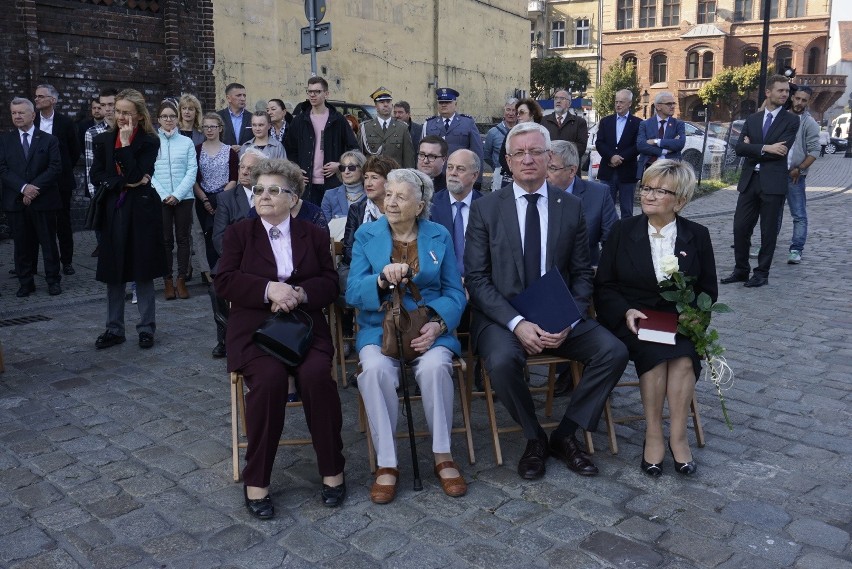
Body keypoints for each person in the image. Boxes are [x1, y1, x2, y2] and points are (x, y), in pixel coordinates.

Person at [464, 122, 628, 480]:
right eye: (519, 153)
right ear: (507, 160)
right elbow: (476, 279)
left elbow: (583, 273)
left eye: (536, 151)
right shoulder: (486, 209)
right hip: (502, 318)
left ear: (548, 157)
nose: (528, 159)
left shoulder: (570, 207)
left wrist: (569, 320)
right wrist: (517, 324)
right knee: (503, 360)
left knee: (613, 351)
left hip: (560, 315)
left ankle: (565, 434)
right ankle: (534, 436)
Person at [215, 158, 346, 517]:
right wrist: (268, 288)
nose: (265, 196)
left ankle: (333, 469)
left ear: (294, 198)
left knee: (317, 376)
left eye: (275, 190)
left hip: (304, 327)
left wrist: (300, 293)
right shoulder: (239, 234)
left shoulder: (314, 235)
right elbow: (223, 281)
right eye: (259, 190)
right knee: (270, 380)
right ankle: (257, 479)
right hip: (255, 329)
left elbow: (330, 284)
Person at [347, 168, 467, 503]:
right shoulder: (366, 235)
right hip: (379, 327)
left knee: (434, 367)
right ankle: (387, 462)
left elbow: (455, 292)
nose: (392, 202)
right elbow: (352, 292)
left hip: (428, 326)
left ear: (420, 204)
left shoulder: (439, 234)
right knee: (373, 371)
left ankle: (443, 454)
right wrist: (381, 281)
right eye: (388, 195)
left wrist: (438, 324)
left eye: (401, 196)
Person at [595, 160, 718, 477]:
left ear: (680, 200)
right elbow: (604, 285)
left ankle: (678, 436)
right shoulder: (622, 231)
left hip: (679, 320)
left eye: (660, 190)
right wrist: (625, 310)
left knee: (684, 358)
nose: (648, 195)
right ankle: (653, 434)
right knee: (654, 355)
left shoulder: (697, 235)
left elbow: (708, 290)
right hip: (634, 320)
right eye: (646, 188)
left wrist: (694, 319)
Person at [89, 89, 166, 350]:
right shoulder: (102, 140)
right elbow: (96, 174)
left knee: (142, 270)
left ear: (139, 115)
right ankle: (114, 329)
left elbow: (138, 173)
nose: (120, 116)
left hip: (142, 211)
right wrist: (123, 182)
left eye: (126, 112)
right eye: (118, 111)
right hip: (113, 210)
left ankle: (146, 328)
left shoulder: (150, 141)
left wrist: (125, 148)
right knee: (114, 272)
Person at [721, 74, 799, 288]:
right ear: (768, 92)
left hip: (773, 184)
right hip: (750, 181)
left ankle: (761, 274)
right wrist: (765, 147)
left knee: (768, 231)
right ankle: (741, 270)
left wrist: (753, 147)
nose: (785, 94)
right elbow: (739, 149)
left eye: (787, 91)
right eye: (781, 90)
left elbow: (781, 151)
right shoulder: (753, 119)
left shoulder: (791, 120)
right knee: (740, 227)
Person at [0, 97, 62, 297]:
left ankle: (53, 280)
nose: (17, 116)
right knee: (21, 245)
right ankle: (25, 282)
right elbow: (3, 168)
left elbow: (55, 167)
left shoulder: (48, 139)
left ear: (33, 115)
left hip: (43, 200)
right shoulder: (5, 140)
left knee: (49, 243)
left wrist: (34, 188)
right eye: (13, 113)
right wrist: (24, 188)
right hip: (16, 201)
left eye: (21, 112)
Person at [208, 149, 265, 359]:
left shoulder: (267, 195)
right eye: (242, 167)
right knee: (216, 290)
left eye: (251, 168)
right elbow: (218, 237)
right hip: (235, 261)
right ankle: (225, 336)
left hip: (265, 261)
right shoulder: (226, 198)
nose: (245, 172)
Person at [284, 76, 358, 206]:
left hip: (332, 183)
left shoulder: (338, 119)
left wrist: (339, 165)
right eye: (310, 91)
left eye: (317, 92)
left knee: (332, 222)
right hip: (307, 184)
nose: (312, 95)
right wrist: (296, 168)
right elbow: (290, 148)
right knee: (310, 222)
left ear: (326, 94)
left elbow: (352, 148)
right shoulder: (300, 120)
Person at [152, 99, 198, 300]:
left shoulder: (186, 142)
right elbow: (149, 171)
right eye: (164, 116)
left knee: (183, 239)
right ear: (158, 119)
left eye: (172, 116)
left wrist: (178, 194)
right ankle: (167, 280)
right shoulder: (152, 141)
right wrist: (164, 194)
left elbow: (192, 170)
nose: (169, 120)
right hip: (160, 198)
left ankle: (181, 279)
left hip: (184, 197)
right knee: (165, 241)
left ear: (177, 118)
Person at [34, 84, 81, 276]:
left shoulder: (65, 123)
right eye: (35, 96)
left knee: (63, 223)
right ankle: (31, 262)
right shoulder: (32, 120)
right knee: (36, 223)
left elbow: (74, 151)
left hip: (61, 181)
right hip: (36, 179)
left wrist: (61, 169)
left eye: (41, 96)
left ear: (52, 100)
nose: (36, 99)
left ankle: (67, 261)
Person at [548, 140, 617, 267]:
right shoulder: (532, 192)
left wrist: (598, 271)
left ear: (572, 171)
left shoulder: (599, 195)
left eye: (551, 168)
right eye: (542, 166)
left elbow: (613, 243)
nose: (544, 174)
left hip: (584, 273)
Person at [338, 155, 398, 292]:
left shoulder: (399, 210)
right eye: (366, 177)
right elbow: (348, 249)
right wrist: (370, 264)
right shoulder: (357, 210)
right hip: (360, 267)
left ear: (389, 182)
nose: (368, 183)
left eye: (374, 177)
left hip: (392, 268)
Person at [778, 86, 820, 265]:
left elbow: (814, 151)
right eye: (798, 99)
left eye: (804, 100)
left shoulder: (809, 123)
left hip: (795, 175)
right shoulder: (781, 117)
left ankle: (796, 249)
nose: (800, 103)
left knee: (799, 214)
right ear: (792, 98)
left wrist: (800, 169)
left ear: (808, 102)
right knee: (772, 213)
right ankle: (766, 245)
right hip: (776, 173)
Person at [194, 112, 239, 272]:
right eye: (206, 127)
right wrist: (205, 200)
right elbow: (194, 178)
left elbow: (234, 178)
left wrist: (221, 200)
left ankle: (226, 269)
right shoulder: (197, 150)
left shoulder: (230, 151)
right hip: (203, 198)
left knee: (223, 235)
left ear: (220, 128)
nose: (209, 130)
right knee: (206, 235)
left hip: (225, 198)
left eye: (213, 126)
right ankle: (209, 272)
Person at [430, 149, 482, 279]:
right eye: (450, 167)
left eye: (460, 169)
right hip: (439, 281)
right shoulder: (430, 205)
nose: (453, 173)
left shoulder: (487, 207)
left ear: (474, 176)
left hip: (477, 282)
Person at [422, 88, 485, 187]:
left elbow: (477, 152)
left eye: (447, 102)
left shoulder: (467, 123)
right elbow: (422, 153)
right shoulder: (429, 124)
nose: (444, 105)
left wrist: (478, 179)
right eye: (441, 102)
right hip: (436, 175)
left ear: (455, 104)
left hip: (460, 174)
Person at [596, 89, 642, 218]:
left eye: (621, 102)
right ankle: (608, 235)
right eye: (616, 102)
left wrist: (621, 158)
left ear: (629, 104)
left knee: (627, 209)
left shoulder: (638, 123)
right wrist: (611, 156)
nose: (618, 105)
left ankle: (626, 236)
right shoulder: (606, 121)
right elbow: (599, 142)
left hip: (627, 172)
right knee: (606, 208)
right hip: (607, 171)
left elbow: (638, 145)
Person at [84, 88, 117, 256]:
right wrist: (93, 192)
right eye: (104, 105)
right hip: (102, 187)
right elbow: (90, 165)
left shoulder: (128, 128)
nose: (108, 109)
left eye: (111, 104)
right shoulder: (92, 133)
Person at [359, 87, 415, 168]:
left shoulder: (402, 128)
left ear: (392, 105)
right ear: (376, 106)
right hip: (373, 174)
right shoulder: (365, 128)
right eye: (381, 102)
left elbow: (408, 158)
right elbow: (360, 156)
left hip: (395, 176)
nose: (386, 105)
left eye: (388, 102)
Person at [636, 92, 685, 177]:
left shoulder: (678, 124)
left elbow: (680, 143)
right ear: (658, 106)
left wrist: (656, 141)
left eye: (673, 103)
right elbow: (641, 145)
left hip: (671, 168)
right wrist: (663, 151)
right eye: (669, 104)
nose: (673, 106)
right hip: (649, 167)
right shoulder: (645, 124)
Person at [497, 98, 544, 186]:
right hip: (512, 179)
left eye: (522, 112)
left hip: (536, 179)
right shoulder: (512, 133)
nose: (518, 115)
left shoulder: (542, 132)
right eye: (517, 113)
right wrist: (516, 174)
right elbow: (502, 157)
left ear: (532, 114)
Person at [320, 150, 367, 225]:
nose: (346, 171)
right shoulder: (330, 195)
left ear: (362, 169)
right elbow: (323, 227)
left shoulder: (372, 194)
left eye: (351, 167)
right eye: (343, 168)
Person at [483, 98, 518, 189]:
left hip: (518, 173)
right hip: (499, 175)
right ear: (504, 111)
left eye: (514, 110)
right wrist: (497, 167)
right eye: (508, 110)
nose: (510, 113)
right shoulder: (493, 132)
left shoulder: (522, 131)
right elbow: (487, 156)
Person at [542, 90, 589, 156]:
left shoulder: (579, 122)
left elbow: (581, 147)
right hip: (548, 163)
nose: (558, 101)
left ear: (569, 104)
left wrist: (562, 157)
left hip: (569, 164)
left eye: (562, 98)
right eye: (556, 98)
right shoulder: (543, 121)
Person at [217, 82, 252, 150]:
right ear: (228, 98)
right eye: (239, 95)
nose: (243, 98)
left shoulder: (252, 117)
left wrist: (243, 148)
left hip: (246, 157)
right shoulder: (218, 117)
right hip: (224, 158)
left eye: (244, 95)